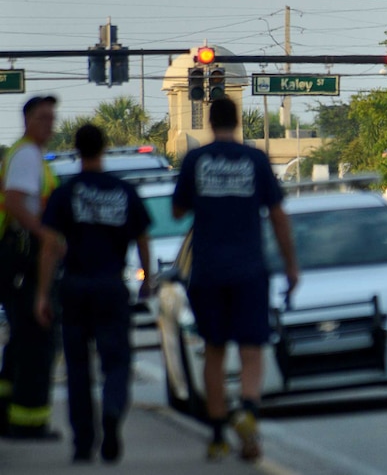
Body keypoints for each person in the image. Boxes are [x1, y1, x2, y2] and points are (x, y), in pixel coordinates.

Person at [172, 97, 299, 462]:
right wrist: (291, 265)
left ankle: (216, 435)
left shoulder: (195, 160)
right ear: (238, 121)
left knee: (214, 349)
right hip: (249, 269)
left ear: (210, 123)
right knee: (251, 349)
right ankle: (248, 410)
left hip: (207, 270)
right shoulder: (256, 159)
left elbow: (178, 210)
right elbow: (278, 216)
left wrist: (205, 198)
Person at [35, 124, 152, 463]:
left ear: (76, 149)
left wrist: (43, 294)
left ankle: (83, 442)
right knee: (116, 361)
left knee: (78, 367)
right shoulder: (122, 191)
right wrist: (147, 280)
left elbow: (49, 245)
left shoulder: (66, 193)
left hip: (74, 286)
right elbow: (143, 238)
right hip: (111, 286)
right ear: (103, 149)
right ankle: (113, 409)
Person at [0, 95, 61, 439]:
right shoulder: (25, 155)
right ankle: (29, 422)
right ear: (27, 121)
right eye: (42, 118)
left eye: (52, 118)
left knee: (22, 338)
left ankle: (9, 414)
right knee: (38, 338)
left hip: (18, 254)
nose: (49, 124)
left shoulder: (29, 155)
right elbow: (14, 202)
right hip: (25, 254)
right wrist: (45, 233)